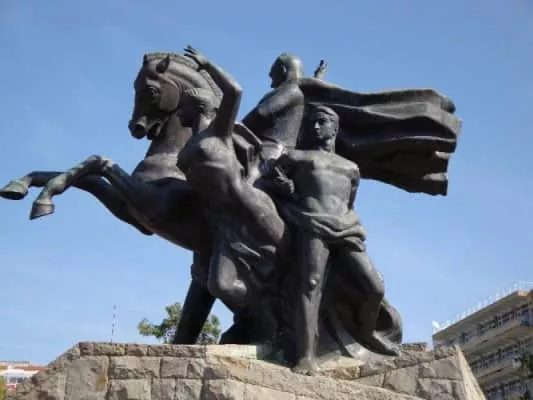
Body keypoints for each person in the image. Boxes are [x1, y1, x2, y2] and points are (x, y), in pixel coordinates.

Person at [273, 105, 400, 375]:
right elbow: (272, 178)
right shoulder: (296, 157)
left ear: (335, 127)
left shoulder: (351, 168)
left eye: (322, 122)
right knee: (310, 285)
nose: (316, 127)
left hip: (347, 228)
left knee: (374, 287)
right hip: (312, 223)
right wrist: (285, 187)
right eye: (312, 123)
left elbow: (349, 202)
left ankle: (366, 333)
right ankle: (306, 356)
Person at [176, 46, 287, 333]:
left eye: (183, 106)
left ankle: (281, 322)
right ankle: (262, 314)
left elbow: (235, 91)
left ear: (198, 108)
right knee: (220, 285)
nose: (179, 112)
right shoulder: (188, 145)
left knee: (286, 258)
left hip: (248, 207)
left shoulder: (219, 131)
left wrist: (206, 65)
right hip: (221, 222)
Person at [241, 53, 306, 179]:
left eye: (273, 71)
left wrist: (235, 125)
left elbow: (261, 112)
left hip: (272, 151)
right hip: (261, 145)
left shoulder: (292, 90)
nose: (270, 75)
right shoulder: (287, 90)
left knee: (247, 181)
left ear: (283, 70)